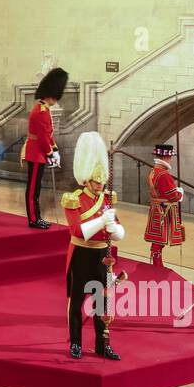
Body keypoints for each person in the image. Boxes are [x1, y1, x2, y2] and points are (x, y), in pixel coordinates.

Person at [61, 132, 125, 360]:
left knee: (102, 301)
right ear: (87, 179)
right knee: (77, 301)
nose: (100, 185)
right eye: (96, 181)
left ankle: (102, 343)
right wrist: (101, 221)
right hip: (81, 254)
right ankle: (76, 342)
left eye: (102, 182)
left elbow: (119, 232)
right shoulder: (74, 199)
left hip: (102, 256)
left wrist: (114, 227)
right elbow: (77, 231)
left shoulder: (107, 198)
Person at [22, 67, 68, 229]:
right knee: (33, 187)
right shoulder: (41, 111)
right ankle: (33, 218)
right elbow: (42, 137)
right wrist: (50, 153)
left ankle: (37, 217)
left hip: (39, 152)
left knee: (37, 187)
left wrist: (54, 151)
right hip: (36, 153)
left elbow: (48, 134)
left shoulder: (44, 109)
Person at [143, 143, 184, 267]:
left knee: (157, 239)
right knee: (159, 241)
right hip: (164, 209)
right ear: (165, 158)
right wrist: (179, 193)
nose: (171, 159)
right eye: (170, 157)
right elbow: (173, 196)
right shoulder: (164, 174)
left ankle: (157, 262)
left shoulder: (153, 171)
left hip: (157, 208)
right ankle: (157, 265)